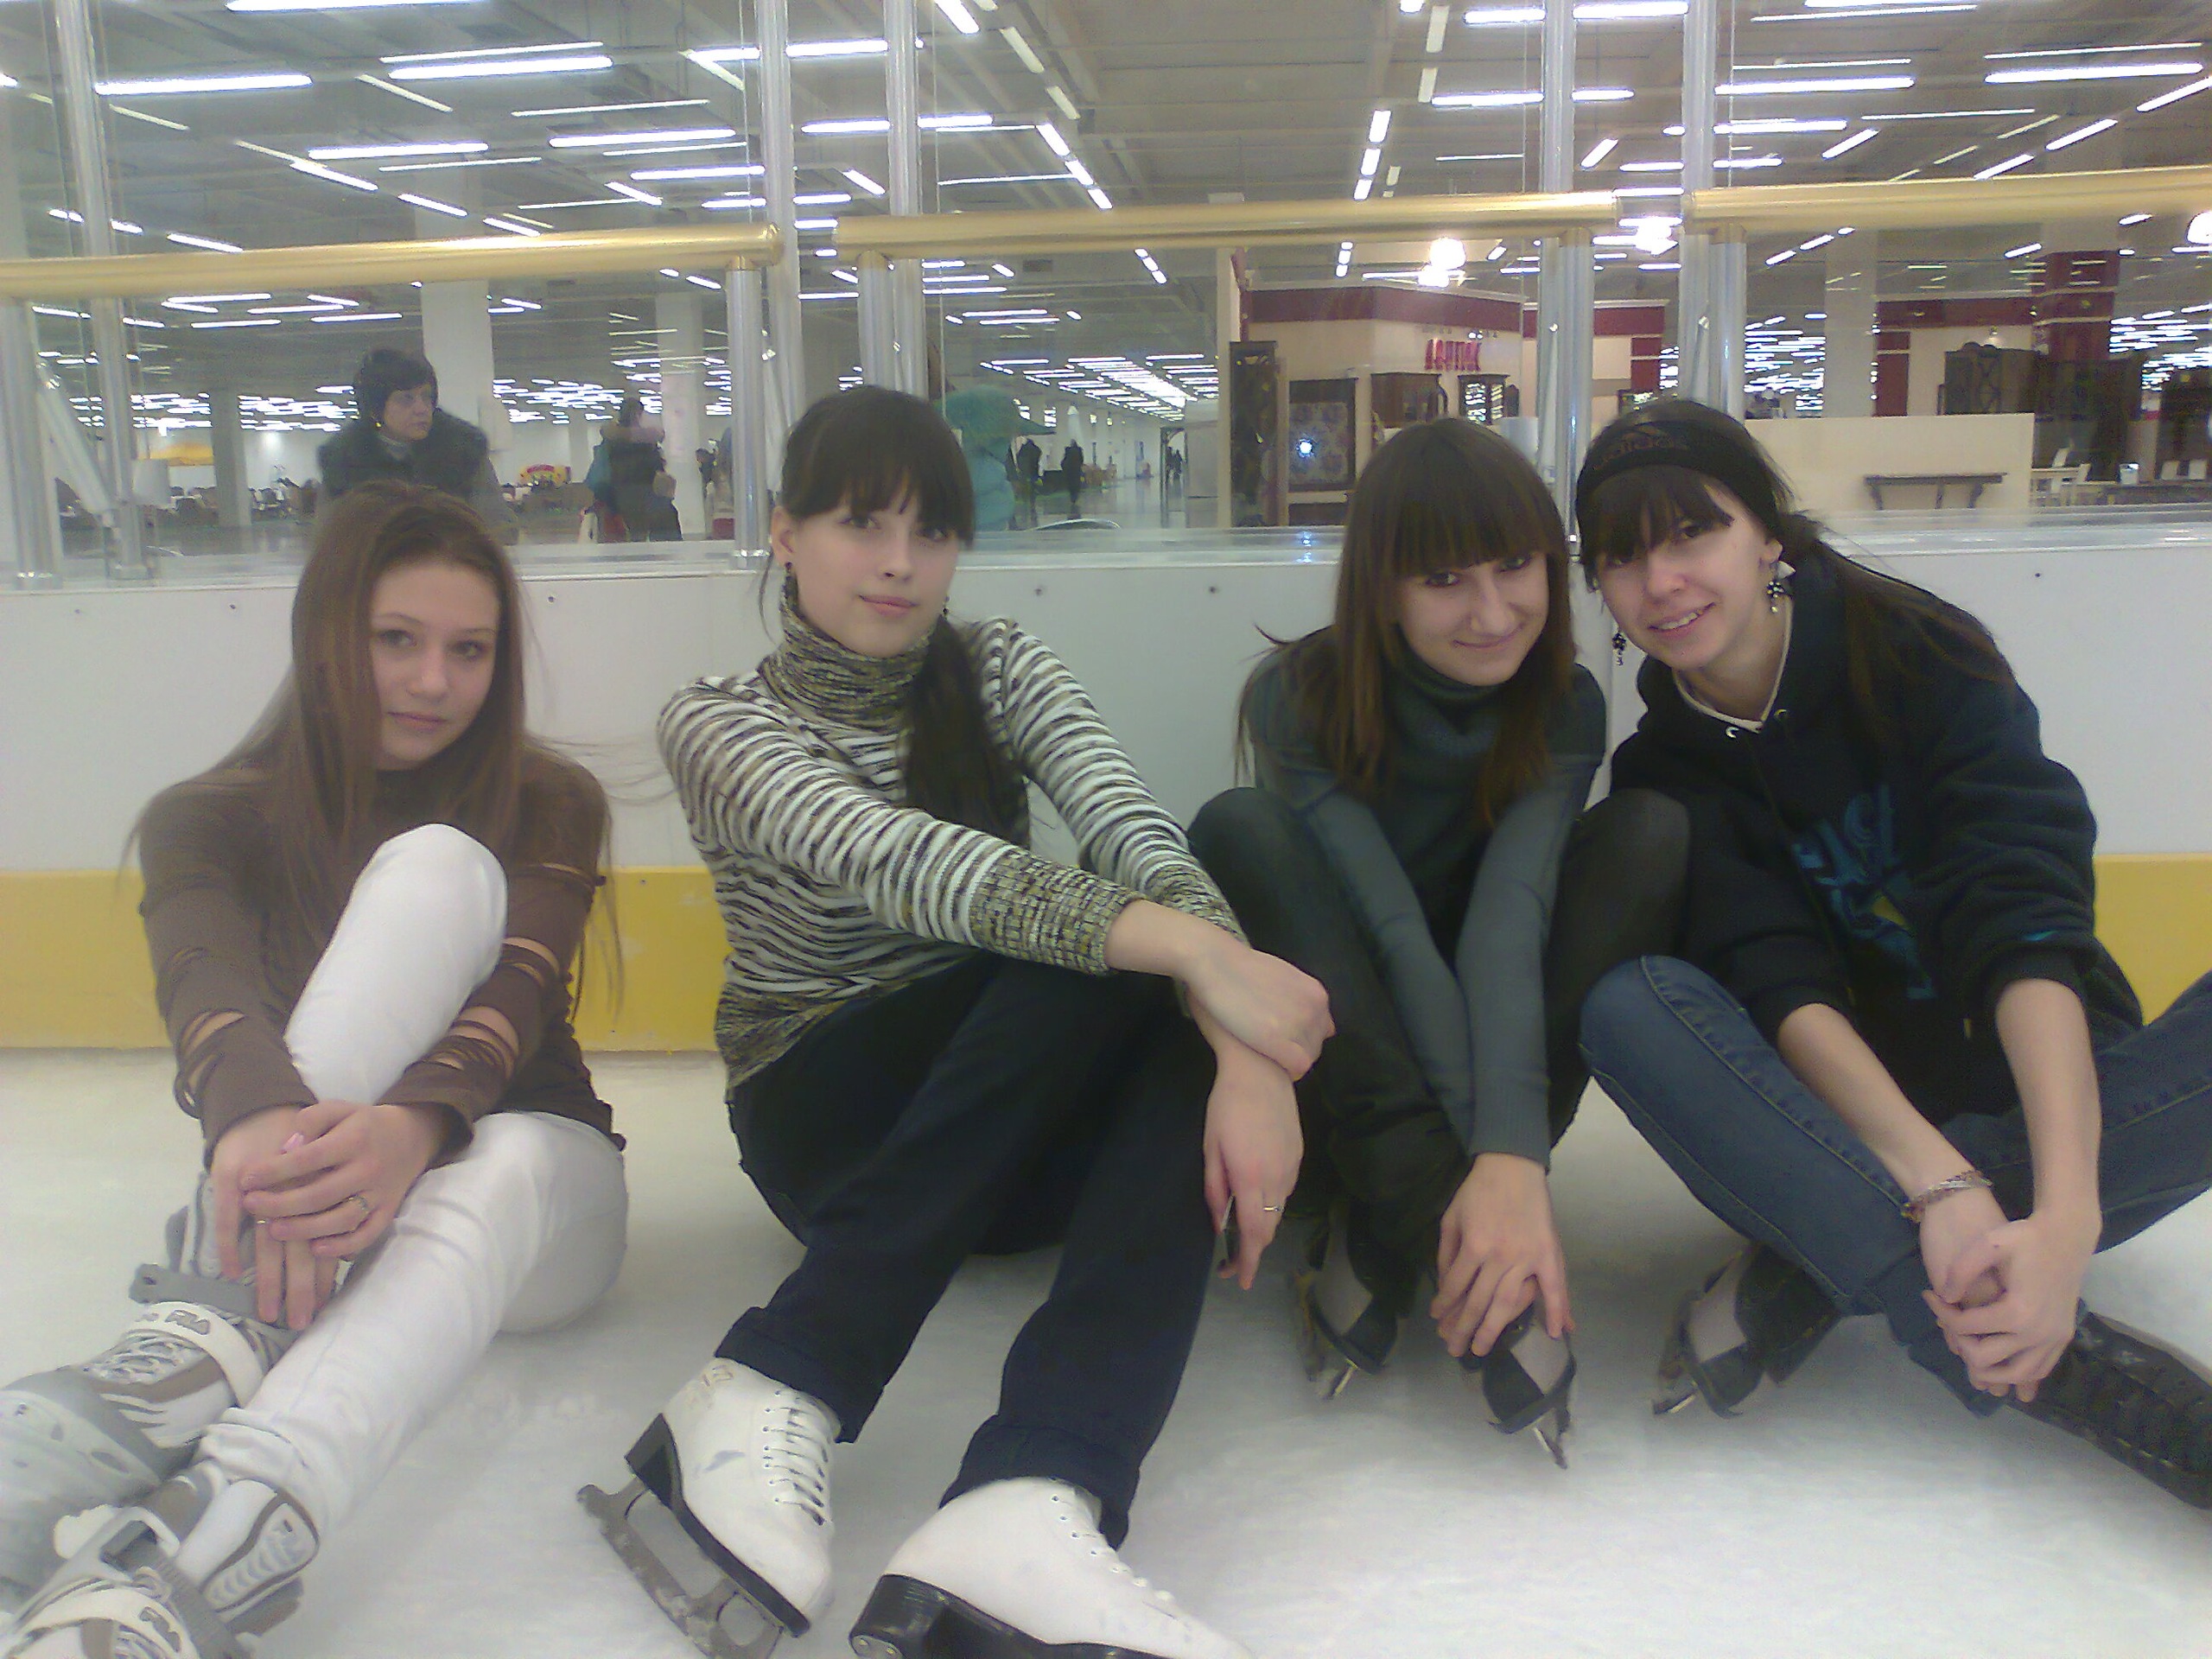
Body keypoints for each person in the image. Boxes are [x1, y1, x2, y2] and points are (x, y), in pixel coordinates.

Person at [593, 387, 1326, 1659]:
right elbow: (917, 868)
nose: (898, 562)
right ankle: (773, 1382)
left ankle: (1032, 1495)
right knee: (1096, 951)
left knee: (1146, 951)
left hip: (1006, 1133)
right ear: (784, 535)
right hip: (829, 1113)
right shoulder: (720, 722)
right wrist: (1217, 974)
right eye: (860, 524)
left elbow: (1132, 828)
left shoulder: (1000, 667)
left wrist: (1238, 1052)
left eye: (930, 532)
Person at [0, 483, 628, 1650]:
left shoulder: (549, 800)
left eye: (470, 650)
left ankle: (219, 1374)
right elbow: (207, 992)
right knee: (386, 948)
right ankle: (210, 1524)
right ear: (325, 634)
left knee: (443, 893)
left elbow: (516, 997)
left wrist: (413, 1128)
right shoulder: (204, 818)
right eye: (396, 639)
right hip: (326, 1216)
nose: (434, 681)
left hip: (537, 1204)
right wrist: (252, 1122)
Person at [1572, 398, 2212, 1508]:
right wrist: (1934, 1182)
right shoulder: (1662, 775)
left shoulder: (1918, 652)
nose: (1659, 582)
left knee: (2030, 1062)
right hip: (1840, 1125)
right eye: (1621, 558)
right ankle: (2079, 1378)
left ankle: (1821, 1260)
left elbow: (2023, 923)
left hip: (2039, 1100)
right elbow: (1781, 990)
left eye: (1693, 532)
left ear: (1767, 532)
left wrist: (2065, 1214)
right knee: (1627, 1006)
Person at [1188, 419, 1684, 1464]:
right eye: (1444, 579)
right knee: (1238, 828)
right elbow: (1387, 930)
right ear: (1382, 588)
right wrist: (1462, 1182)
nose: (1492, 612)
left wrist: (1511, 1155)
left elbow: (1508, 922)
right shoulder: (1296, 696)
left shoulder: (1563, 702)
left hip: (1494, 1028)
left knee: (1649, 834)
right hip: (1351, 1051)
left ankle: (1404, 1232)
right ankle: (1438, 1230)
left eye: (1515, 568)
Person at [316, 349, 516, 539]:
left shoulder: (464, 450)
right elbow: (329, 539)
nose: (421, 409)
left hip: (452, 559)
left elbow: (499, 529)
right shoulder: (344, 459)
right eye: (406, 399)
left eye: (426, 397)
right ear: (375, 408)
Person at [587, 397, 670, 543]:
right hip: (640, 489)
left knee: (616, 532)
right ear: (637, 413)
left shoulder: (611, 437)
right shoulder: (646, 438)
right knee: (638, 531)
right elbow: (654, 464)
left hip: (614, 490)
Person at [1015, 435, 1042, 526]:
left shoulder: (1023, 450)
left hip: (1024, 473)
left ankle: (1025, 501)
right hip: (1033, 472)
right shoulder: (1036, 449)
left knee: (1025, 488)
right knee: (1033, 489)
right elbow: (1038, 455)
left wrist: (1021, 468)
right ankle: (1032, 503)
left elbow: (1019, 458)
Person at [1061, 436, 1085, 516]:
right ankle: (1075, 498)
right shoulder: (1079, 451)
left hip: (1069, 471)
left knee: (1071, 485)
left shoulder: (1068, 451)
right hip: (1076, 471)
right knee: (1076, 485)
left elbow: (1064, 461)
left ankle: (1072, 498)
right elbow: (1081, 460)